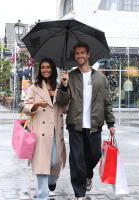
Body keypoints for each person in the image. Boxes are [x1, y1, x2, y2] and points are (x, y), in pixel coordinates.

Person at [56, 42, 116, 200]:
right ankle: (79, 194)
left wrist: (111, 123)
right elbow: (61, 102)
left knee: (95, 155)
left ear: (88, 55)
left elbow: (107, 102)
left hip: (95, 126)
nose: (80, 56)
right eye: (77, 53)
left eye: (82, 52)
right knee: (76, 161)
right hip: (75, 125)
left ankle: (88, 175)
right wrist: (63, 86)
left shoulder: (101, 79)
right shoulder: (70, 77)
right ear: (74, 56)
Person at [23, 58, 67, 200]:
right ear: (39, 70)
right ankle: (43, 196)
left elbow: (66, 108)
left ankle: (52, 181)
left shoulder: (60, 86)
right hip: (40, 132)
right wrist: (35, 105)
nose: (45, 70)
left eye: (48, 67)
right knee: (42, 164)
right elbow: (26, 107)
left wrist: (63, 90)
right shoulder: (34, 87)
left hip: (55, 131)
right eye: (43, 67)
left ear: (53, 69)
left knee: (55, 162)